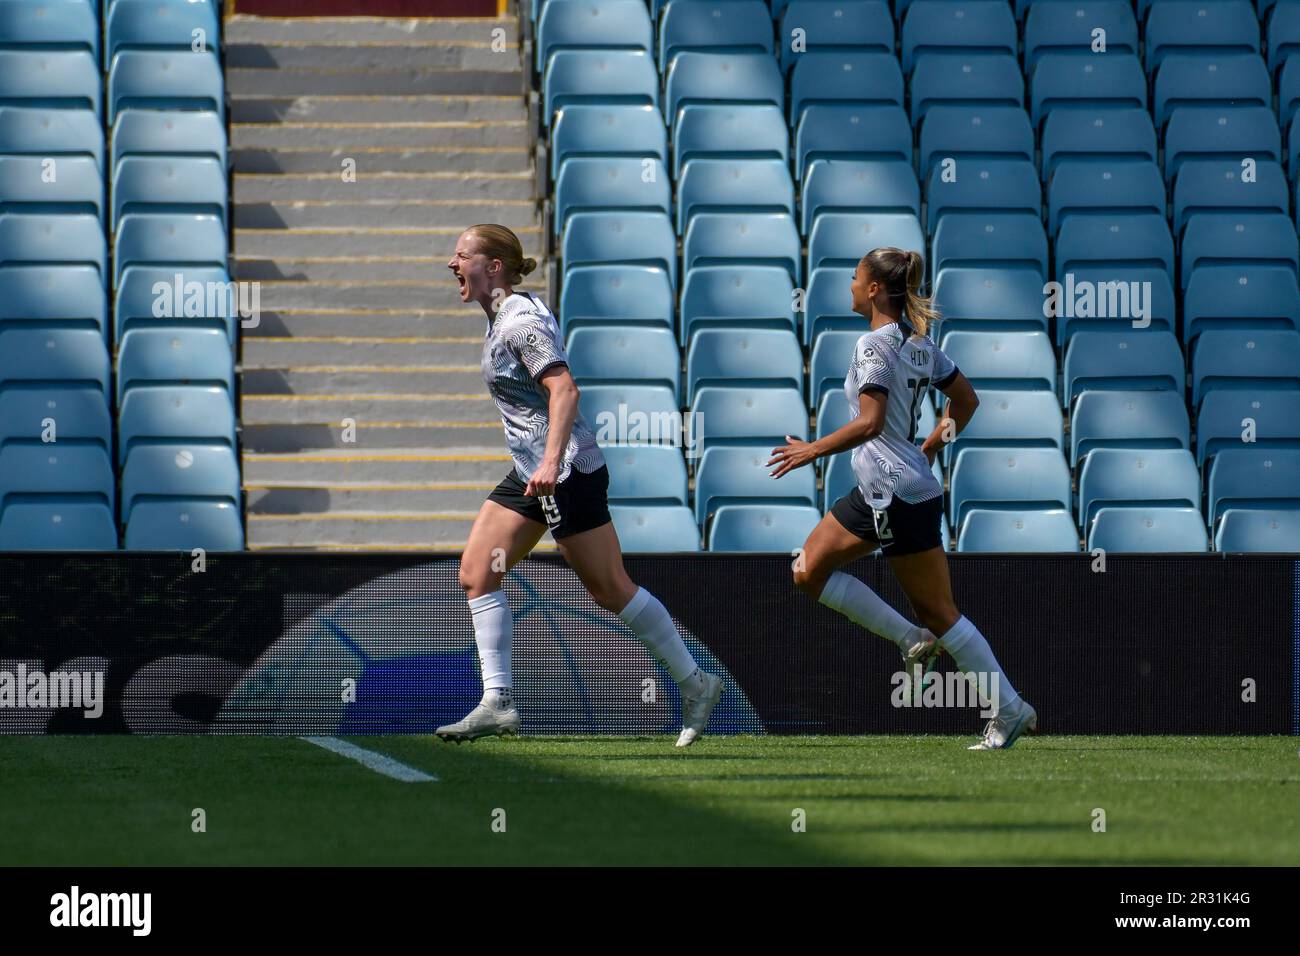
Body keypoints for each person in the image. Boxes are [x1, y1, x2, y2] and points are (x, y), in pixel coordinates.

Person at [439, 223, 722, 746]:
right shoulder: (502, 315)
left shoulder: (520, 321)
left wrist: (549, 464)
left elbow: (564, 389)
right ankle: (497, 701)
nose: (451, 264)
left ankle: (696, 683)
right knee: (478, 573)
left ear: (493, 266)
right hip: (532, 473)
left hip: (564, 473)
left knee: (610, 588)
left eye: (461, 255)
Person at [767, 247, 1037, 749]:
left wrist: (813, 450)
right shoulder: (919, 345)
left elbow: (870, 423)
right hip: (892, 488)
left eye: (854, 278)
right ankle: (911, 639)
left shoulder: (872, 345)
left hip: (891, 493)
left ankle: (1009, 708)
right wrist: (933, 446)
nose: (849, 285)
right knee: (807, 569)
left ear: (873, 289)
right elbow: (966, 400)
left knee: (938, 610)